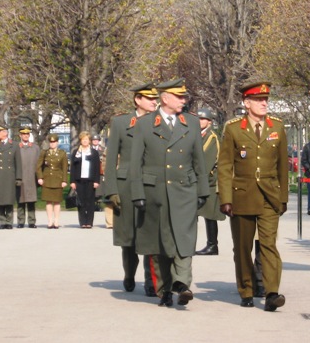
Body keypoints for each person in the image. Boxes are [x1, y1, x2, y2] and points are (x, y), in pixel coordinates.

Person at [129, 78, 209, 307]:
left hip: (185, 188)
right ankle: (164, 290)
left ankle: (182, 284)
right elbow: (136, 162)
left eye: (184, 96)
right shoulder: (145, 124)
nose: (184, 100)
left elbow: (198, 159)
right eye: (179, 96)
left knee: (184, 237)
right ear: (165, 99)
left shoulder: (191, 123)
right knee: (162, 244)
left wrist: (203, 189)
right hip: (156, 191)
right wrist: (137, 193)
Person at [218, 81, 289, 311]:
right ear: (246, 103)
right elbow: (226, 166)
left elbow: (283, 168)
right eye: (259, 100)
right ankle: (247, 289)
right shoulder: (233, 128)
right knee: (243, 247)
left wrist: (283, 197)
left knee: (269, 245)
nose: (264, 103)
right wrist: (225, 198)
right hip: (242, 195)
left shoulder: (277, 127)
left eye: (266, 100)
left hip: (269, 195)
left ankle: (271, 293)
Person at [102, 82, 159, 295]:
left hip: (150, 182)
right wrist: (111, 190)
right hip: (126, 186)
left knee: (150, 233)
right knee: (129, 238)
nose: (155, 101)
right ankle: (129, 273)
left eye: (156, 98)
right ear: (138, 100)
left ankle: (151, 281)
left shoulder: (159, 121)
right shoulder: (121, 122)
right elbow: (110, 159)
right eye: (150, 98)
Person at [195, 107, 225, 256]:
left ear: (209, 121)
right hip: (203, 181)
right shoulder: (198, 135)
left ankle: (212, 245)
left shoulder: (211, 137)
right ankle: (210, 244)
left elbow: (205, 162)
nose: (200, 121)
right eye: (198, 119)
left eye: (203, 119)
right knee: (204, 214)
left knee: (210, 214)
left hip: (209, 181)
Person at [69, 131, 101, 228]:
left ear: (89, 141)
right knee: (81, 201)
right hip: (79, 180)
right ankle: (83, 222)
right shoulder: (76, 152)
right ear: (80, 141)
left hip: (91, 180)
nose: (85, 141)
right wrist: (72, 181)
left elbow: (96, 168)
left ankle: (89, 222)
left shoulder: (94, 153)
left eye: (86, 140)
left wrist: (96, 181)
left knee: (90, 201)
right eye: (83, 140)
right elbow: (73, 168)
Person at [36, 134, 69, 229]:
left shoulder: (62, 153)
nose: (52, 144)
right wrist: (40, 177)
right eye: (51, 142)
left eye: (54, 142)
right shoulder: (44, 152)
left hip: (57, 179)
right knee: (48, 202)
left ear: (57, 143)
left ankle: (56, 220)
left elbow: (64, 168)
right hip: (47, 179)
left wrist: (64, 180)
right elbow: (38, 166)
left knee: (57, 201)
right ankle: (50, 220)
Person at [15, 126, 39, 228]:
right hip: (20, 177)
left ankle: (32, 221)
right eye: (23, 134)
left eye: (27, 134)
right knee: (20, 200)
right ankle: (21, 221)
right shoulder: (16, 147)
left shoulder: (35, 147)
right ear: (20, 135)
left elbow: (38, 163)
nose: (25, 136)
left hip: (31, 177)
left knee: (31, 200)